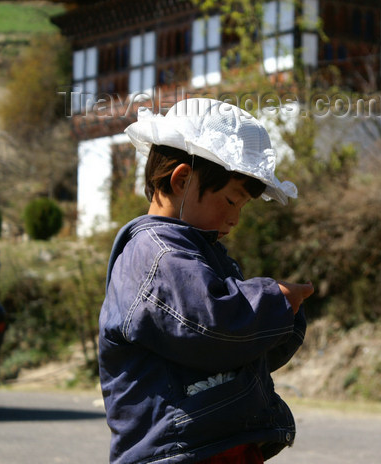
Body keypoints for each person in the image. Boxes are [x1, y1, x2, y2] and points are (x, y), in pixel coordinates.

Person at [99, 97, 314, 464]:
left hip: (212, 443)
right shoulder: (158, 256)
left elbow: (241, 350)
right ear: (182, 180)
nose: (235, 219)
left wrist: (282, 321)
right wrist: (276, 299)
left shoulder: (197, 253)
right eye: (232, 201)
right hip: (181, 450)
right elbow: (212, 326)